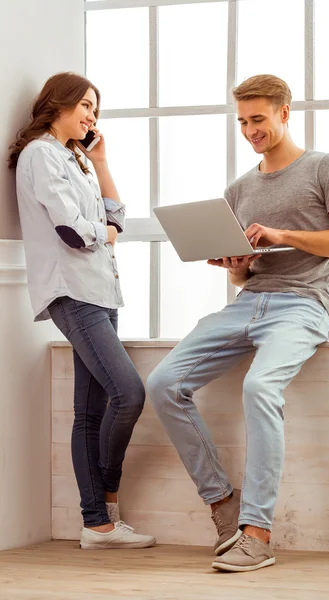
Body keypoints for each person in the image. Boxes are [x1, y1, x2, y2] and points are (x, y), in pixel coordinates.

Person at [146, 74, 329, 572]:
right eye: (243, 121)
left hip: (306, 303)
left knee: (260, 386)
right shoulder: (239, 188)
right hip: (251, 302)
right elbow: (242, 282)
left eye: (259, 120)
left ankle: (257, 532)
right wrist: (237, 265)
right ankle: (223, 504)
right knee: (163, 383)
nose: (250, 131)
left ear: (285, 113)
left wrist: (282, 232)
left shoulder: (325, 166)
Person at [9, 72, 155, 550]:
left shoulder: (75, 158)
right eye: (87, 105)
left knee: (90, 412)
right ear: (59, 103)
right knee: (129, 393)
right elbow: (74, 231)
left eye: (97, 109)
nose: (93, 115)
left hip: (101, 290)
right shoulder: (40, 156)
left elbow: (118, 212)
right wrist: (107, 231)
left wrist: (102, 161)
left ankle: (97, 524)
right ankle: (105, 500)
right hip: (72, 290)